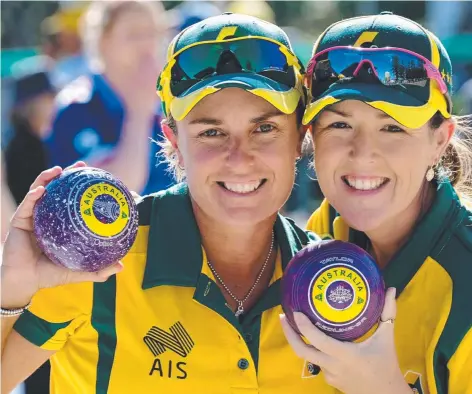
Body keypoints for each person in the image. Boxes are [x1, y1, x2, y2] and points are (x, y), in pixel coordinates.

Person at [1, 13, 378, 394]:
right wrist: (11, 285)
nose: (239, 158)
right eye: (211, 132)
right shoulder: (101, 263)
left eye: (264, 128)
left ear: (300, 136)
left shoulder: (340, 287)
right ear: (174, 141)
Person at [281, 12, 472, 394]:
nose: (363, 154)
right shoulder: (321, 235)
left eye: (392, 127)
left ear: (439, 139)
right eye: (340, 124)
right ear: (310, 136)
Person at [45, 0, 174, 195]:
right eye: (133, 34)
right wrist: (138, 113)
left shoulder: (168, 101)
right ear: (102, 41)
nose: (147, 44)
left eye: (152, 33)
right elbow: (105, 195)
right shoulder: (77, 107)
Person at [4, 68, 56, 205]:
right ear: (32, 105)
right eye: (49, 98)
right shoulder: (21, 150)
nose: (55, 103)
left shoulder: (47, 138)